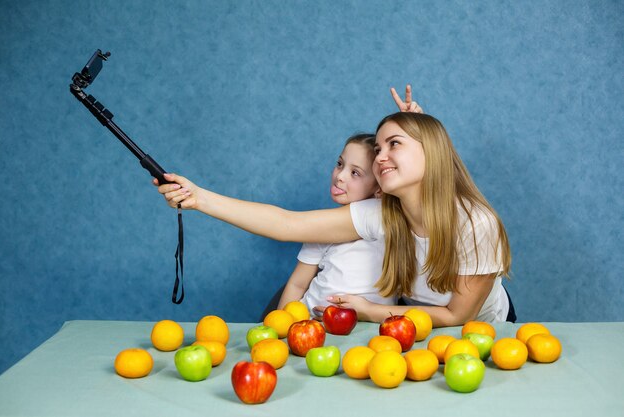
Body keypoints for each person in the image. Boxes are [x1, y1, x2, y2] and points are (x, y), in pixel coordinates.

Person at [155, 92, 513, 328]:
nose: (381, 157)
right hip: (411, 321)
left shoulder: (476, 224)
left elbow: (456, 315)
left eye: (394, 145)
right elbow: (286, 224)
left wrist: (372, 312)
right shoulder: (384, 214)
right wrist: (199, 198)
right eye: (378, 151)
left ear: (431, 154)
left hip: (479, 329)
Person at [276, 133, 395, 315]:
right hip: (312, 320)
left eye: (355, 172)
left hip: (372, 325)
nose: (340, 176)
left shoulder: (389, 218)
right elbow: (297, 284)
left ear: (379, 188)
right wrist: (281, 327)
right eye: (340, 164)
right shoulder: (324, 226)